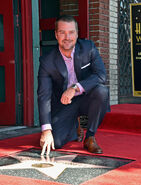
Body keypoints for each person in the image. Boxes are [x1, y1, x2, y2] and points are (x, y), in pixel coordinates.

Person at [38, 15, 109, 156]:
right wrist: (46, 130)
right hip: (64, 104)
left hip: (86, 98)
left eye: (71, 32)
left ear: (77, 34)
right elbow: (43, 95)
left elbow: (101, 75)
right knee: (55, 142)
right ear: (56, 34)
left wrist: (75, 88)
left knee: (102, 92)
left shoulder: (88, 48)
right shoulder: (47, 60)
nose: (67, 37)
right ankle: (74, 126)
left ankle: (90, 136)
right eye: (62, 32)